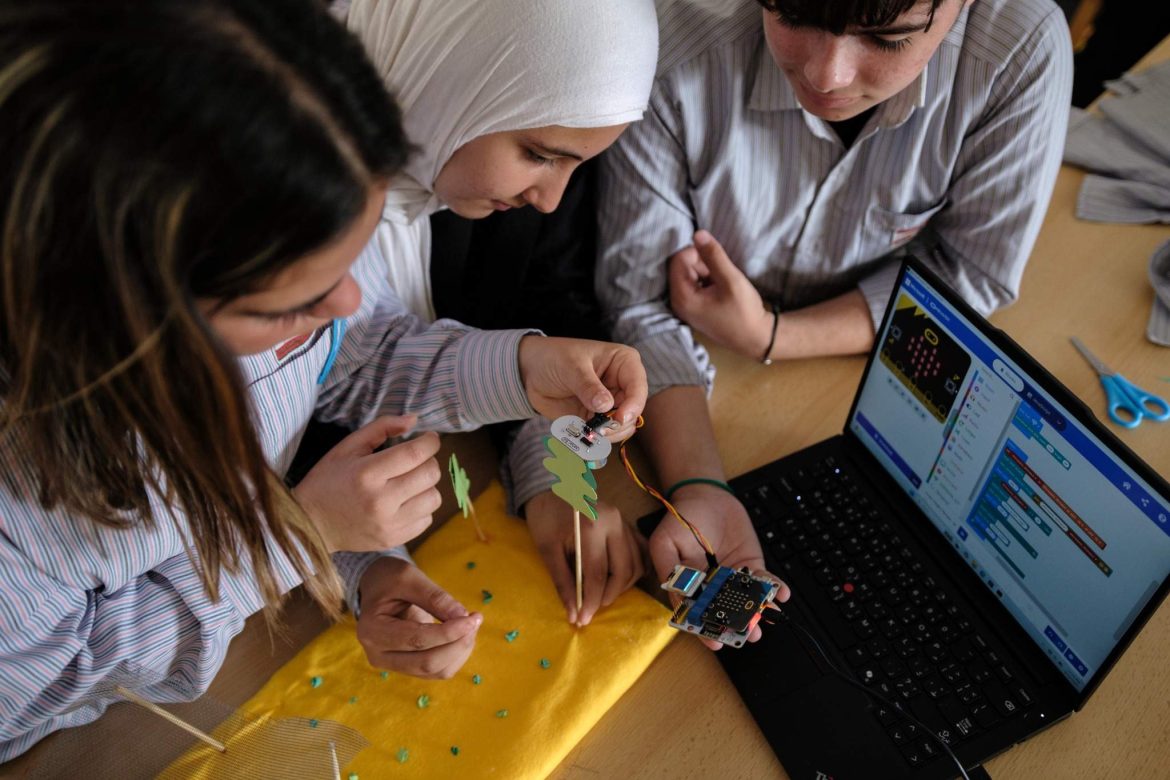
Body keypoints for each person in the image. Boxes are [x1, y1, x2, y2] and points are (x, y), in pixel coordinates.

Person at [0, 0, 647, 761]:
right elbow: (35, 685)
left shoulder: (280, 221)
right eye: (294, 302)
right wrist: (298, 537)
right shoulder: (27, 487)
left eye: (351, 261)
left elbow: (353, 355)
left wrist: (522, 371)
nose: (345, 303)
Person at [592, 0, 1072, 648]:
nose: (827, 76)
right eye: (795, 16)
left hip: (844, 386)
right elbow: (639, 302)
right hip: (701, 389)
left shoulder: (1019, 46)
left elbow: (970, 275)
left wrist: (771, 336)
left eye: (888, 38)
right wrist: (699, 483)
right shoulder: (669, 34)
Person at [323, 0, 661, 626]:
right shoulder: (284, 200)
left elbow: (544, 293)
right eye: (538, 154)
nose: (550, 198)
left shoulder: (487, 156)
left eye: (576, 165)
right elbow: (295, 407)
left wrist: (551, 462)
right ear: (451, 74)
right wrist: (356, 557)